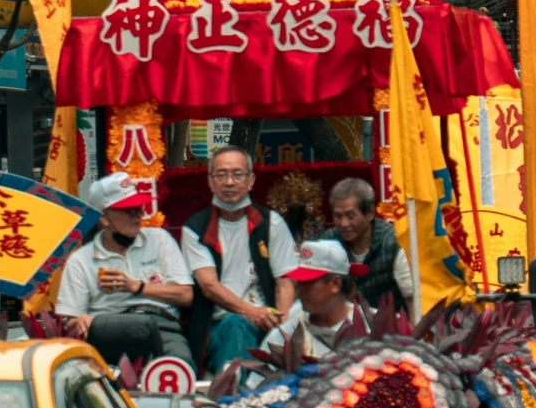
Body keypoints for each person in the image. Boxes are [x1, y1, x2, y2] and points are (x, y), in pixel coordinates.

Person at [55, 173, 197, 365]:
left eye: (140, 207)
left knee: (180, 366)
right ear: (105, 218)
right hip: (110, 330)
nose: (139, 215)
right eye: (129, 210)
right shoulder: (81, 260)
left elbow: (186, 295)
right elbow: (71, 320)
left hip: (161, 325)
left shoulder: (159, 239)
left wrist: (136, 286)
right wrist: (80, 321)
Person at [181, 147, 299, 371]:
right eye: (221, 174)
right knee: (236, 324)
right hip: (216, 327)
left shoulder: (270, 222)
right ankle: (233, 397)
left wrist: (281, 331)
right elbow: (209, 286)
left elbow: (285, 280)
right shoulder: (195, 228)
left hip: (267, 322)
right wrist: (250, 312)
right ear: (210, 181)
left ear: (251, 180)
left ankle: (230, 394)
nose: (229, 182)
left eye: (237, 174)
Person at [258, 238, 373, 362]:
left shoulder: (374, 325)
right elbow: (257, 381)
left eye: (308, 283)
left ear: (336, 284)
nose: (300, 291)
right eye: (299, 283)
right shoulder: (283, 336)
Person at [320, 178, 412, 321]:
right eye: (338, 216)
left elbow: (411, 300)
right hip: (341, 328)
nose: (343, 224)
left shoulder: (393, 242)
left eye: (351, 216)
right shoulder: (328, 242)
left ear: (370, 213)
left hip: (390, 330)